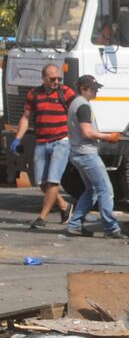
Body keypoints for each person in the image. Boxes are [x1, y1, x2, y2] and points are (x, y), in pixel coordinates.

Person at [11, 64, 75, 228]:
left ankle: (42, 217)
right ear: (43, 78)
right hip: (41, 141)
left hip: (61, 141)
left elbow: (78, 111)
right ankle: (64, 206)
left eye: (58, 79)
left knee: (53, 181)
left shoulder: (65, 92)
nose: (56, 82)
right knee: (41, 181)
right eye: (52, 79)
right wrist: (18, 138)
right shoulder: (34, 94)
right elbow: (26, 117)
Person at [65, 75, 125, 239]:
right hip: (87, 154)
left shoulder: (76, 104)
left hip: (78, 153)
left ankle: (75, 224)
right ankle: (111, 228)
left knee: (91, 190)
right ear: (83, 89)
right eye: (93, 88)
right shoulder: (83, 106)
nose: (96, 90)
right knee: (106, 190)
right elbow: (87, 132)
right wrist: (108, 137)